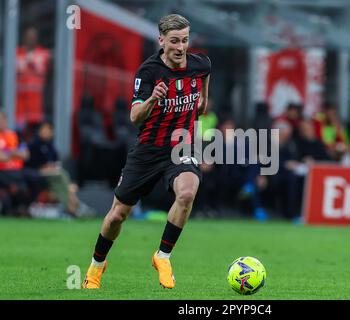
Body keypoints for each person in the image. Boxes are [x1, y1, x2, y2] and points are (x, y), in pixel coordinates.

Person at [82, 14, 211, 290]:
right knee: (117, 215)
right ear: (161, 40)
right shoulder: (149, 72)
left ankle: (162, 256)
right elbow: (134, 117)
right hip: (148, 151)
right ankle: (96, 265)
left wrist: (201, 104)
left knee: (187, 192)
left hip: (180, 146)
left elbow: (202, 100)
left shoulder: (201, 64)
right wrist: (154, 99)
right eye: (174, 41)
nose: (180, 47)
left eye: (185, 40)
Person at [16, 27, 51, 129]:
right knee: (18, 132)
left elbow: (47, 75)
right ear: (24, 38)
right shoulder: (16, 52)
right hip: (19, 102)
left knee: (34, 133)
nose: (31, 39)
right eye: (29, 37)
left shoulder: (43, 53)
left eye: (33, 37)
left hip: (36, 103)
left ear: (37, 39)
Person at [0, 111, 31, 216]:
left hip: (18, 170)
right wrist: (14, 153)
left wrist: (8, 153)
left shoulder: (14, 135)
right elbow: (2, 158)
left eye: (3, 119)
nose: (1, 122)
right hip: (3, 171)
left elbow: (25, 154)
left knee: (37, 178)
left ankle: (24, 208)